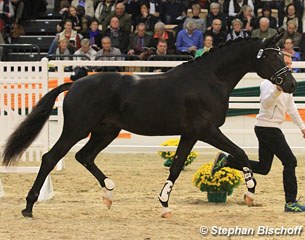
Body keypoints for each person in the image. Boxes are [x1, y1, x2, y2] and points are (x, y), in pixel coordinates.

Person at [211, 53, 305, 212]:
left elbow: (291, 108)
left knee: (263, 167)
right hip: (267, 128)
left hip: (270, 128)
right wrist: (277, 91)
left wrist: (302, 127)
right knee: (290, 161)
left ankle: (228, 161)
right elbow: (266, 104)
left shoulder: (288, 85)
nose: (289, 66)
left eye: (290, 64)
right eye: (287, 63)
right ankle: (290, 202)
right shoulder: (267, 83)